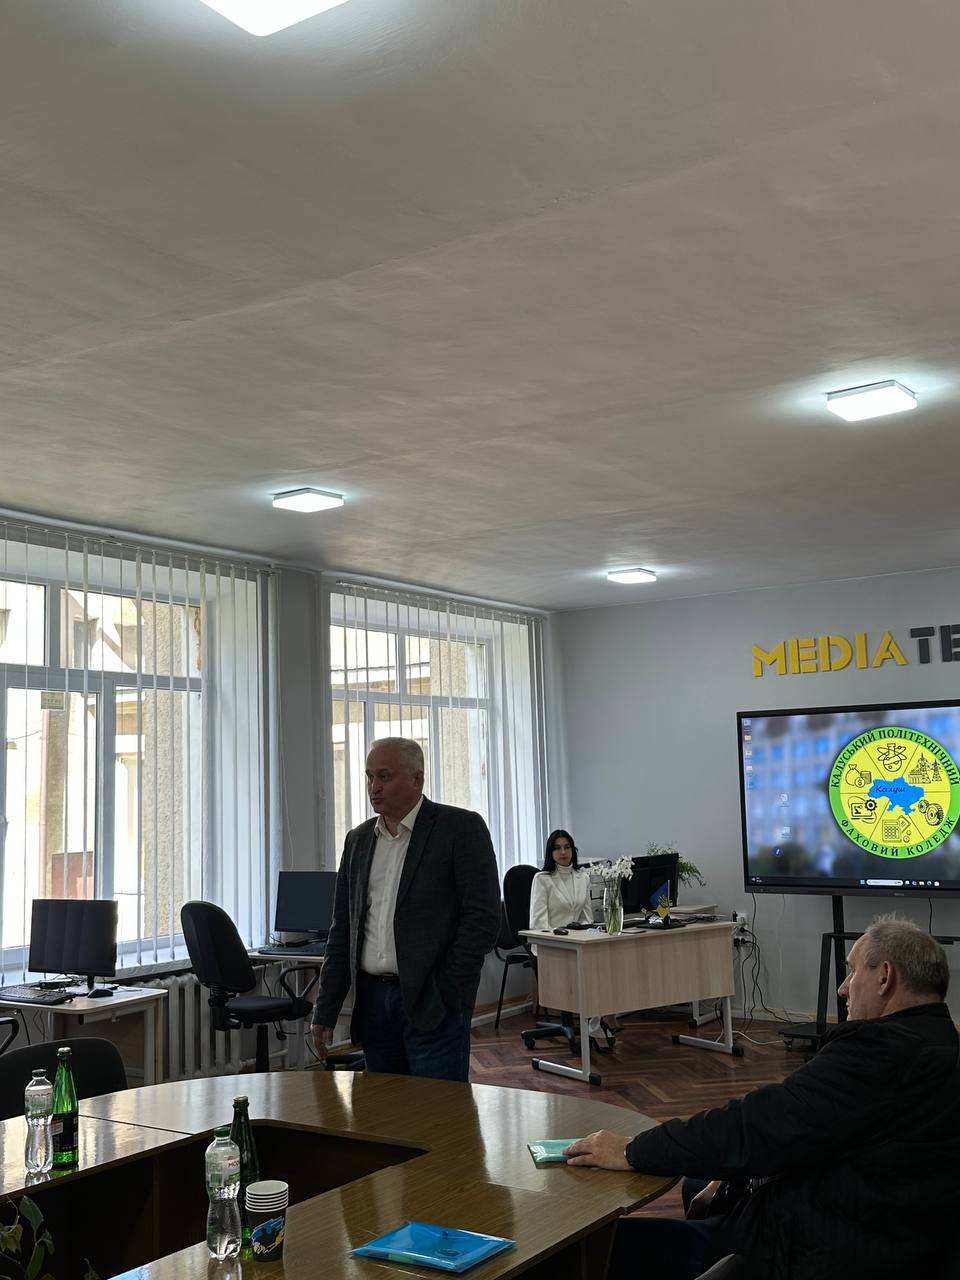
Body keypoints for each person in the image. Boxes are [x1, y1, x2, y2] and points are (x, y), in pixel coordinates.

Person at [563, 915, 960, 1280]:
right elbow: (810, 1124)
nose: (843, 987)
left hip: (815, 1248)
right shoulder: (939, 1043)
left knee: (597, 1250)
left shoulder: (882, 1052)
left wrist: (632, 1150)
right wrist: (739, 1175)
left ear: (885, 976)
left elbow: (759, 1124)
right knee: (699, 1182)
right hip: (884, 1225)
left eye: (852, 971)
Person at [311, 737, 500, 1082]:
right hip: (373, 1004)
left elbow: (483, 919)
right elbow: (343, 930)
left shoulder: (459, 828)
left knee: (438, 1107)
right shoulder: (358, 840)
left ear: (417, 779)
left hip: (434, 1000)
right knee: (384, 1107)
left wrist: (448, 989)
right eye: (369, 777)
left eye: (384, 776)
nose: (374, 787)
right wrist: (326, 1008)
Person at [528, 830, 618, 1052]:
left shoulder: (582, 877)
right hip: (551, 946)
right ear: (551, 853)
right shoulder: (542, 879)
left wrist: (592, 936)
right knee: (588, 974)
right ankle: (593, 1026)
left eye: (567, 847)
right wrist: (564, 937)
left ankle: (595, 1023)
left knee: (605, 965)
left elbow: (586, 918)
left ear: (573, 850)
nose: (563, 852)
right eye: (557, 848)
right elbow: (538, 923)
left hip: (578, 943)